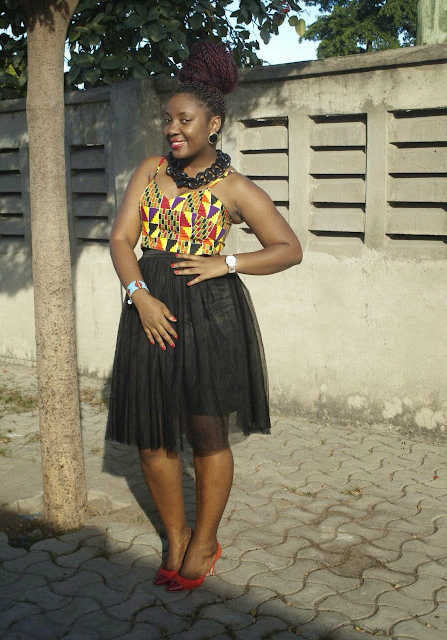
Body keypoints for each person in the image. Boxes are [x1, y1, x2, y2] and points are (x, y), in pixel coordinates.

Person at [105, 40, 302, 592]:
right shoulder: (150, 171)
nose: (172, 129)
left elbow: (288, 248)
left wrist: (228, 262)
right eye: (168, 119)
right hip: (150, 310)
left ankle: (205, 541)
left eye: (184, 120)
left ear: (213, 124)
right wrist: (139, 295)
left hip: (211, 313)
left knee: (207, 433)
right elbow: (121, 240)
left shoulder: (233, 187)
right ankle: (175, 535)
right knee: (152, 437)